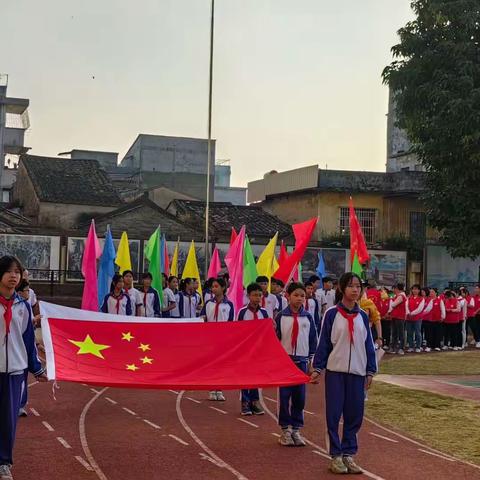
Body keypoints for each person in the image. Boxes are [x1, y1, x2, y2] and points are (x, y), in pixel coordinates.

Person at [311, 272, 377, 475]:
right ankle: (335, 455)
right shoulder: (331, 314)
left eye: (358, 286)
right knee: (333, 414)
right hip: (336, 373)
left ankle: (349, 454)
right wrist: (317, 367)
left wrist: (370, 371)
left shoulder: (363, 317)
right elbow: (323, 343)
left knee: (354, 415)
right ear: (341, 288)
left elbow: (368, 346)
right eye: (350, 286)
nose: (355, 290)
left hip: (357, 374)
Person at [0, 256, 47, 480]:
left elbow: (28, 341)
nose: (13, 276)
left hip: (15, 373)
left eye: (17, 272)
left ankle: (3, 463)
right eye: (8, 271)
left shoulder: (23, 306)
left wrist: (37, 368)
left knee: (8, 420)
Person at [275, 282, 317, 448]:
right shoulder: (280, 317)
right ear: (288, 296)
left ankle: (296, 429)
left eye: (302, 296)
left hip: (302, 363)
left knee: (300, 398)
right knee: (284, 398)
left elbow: (313, 341)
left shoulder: (308, 318)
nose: (299, 299)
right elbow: (275, 339)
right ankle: (285, 430)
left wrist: (312, 364)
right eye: (296, 295)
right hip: (285, 363)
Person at [237, 283, 269, 416]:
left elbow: (267, 332)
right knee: (245, 375)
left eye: (259, 295)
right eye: (254, 295)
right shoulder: (243, 312)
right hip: (245, 349)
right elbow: (237, 331)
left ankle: (255, 401)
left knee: (256, 375)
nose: (257, 298)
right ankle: (245, 402)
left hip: (259, 350)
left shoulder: (264, 313)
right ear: (248, 296)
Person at [201, 278, 234, 402]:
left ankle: (219, 389)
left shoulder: (229, 305)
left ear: (223, 288)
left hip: (223, 339)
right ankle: (211, 388)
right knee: (211, 364)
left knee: (221, 364)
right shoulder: (208, 303)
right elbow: (203, 318)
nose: (213, 289)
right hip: (210, 338)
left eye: (216, 286)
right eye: (212, 287)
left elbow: (231, 323)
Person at [15, 279, 41, 418]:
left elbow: (28, 333)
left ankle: (19, 404)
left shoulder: (25, 306)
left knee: (21, 378)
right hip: (11, 351)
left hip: (20, 352)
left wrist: (36, 368)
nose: (29, 293)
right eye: (26, 290)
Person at [388, 283, 407, 355]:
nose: (394, 290)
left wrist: (391, 300)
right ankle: (393, 347)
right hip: (395, 316)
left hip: (400, 317)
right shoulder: (397, 296)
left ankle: (401, 348)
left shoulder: (401, 296)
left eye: (394, 288)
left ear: (397, 289)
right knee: (395, 333)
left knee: (400, 333)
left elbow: (393, 304)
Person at [406, 284, 425, 353]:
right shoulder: (409, 298)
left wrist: (412, 313)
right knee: (409, 333)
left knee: (417, 333)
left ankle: (418, 346)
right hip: (409, 318)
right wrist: (408, 313)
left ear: (419, 290)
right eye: (413, 289)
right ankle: (411, 346)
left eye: (416, 289)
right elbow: (406, 306)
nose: (415, 290)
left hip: (417, 318)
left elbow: (420, 309)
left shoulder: (421, 298)